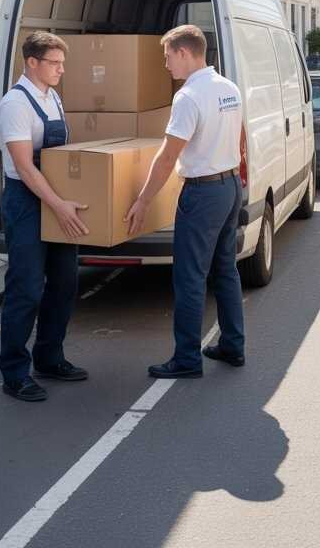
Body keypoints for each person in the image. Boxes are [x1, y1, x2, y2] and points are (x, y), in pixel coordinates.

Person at [125, 24, 245, 378]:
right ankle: (233, 345)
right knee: (225, 269)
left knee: (190, 278)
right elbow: (238, 137)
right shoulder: (228, 87)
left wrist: (143, 201)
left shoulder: (188, 96)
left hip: (203, 192)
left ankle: (187, 359)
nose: (165, 65)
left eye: (167, 57)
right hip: (229, 186)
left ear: (184, 53)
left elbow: (166, 157)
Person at [0, 32, 90, 402]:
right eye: (54, 63)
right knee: (27, 288)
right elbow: (24, 167)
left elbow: (61, 155)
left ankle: (49, 357)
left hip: (56, 197)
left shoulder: (53, 99)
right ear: (32, 62)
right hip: (27, 201)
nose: (61, 70)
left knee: (64, 283)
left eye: (62, 63)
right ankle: (14, 372)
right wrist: (58, 205)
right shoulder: (14, 105)